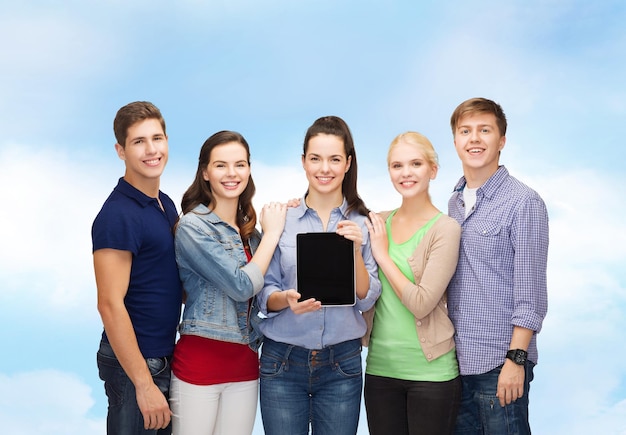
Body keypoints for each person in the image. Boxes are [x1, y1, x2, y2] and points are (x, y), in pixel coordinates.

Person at [256, 116, 382, 435]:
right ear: (303, 162)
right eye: (315, 159)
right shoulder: (282, 219)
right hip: (281, 362)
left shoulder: (363, 223)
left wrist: (354, 250)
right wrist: (285, 300)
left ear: (348, 163)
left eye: (334, 159)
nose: (324, 168)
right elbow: (263, 292)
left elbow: (367, 299)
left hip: (342, 364)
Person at [168, 131, 287, 434]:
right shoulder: (193, 226)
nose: (232, 173)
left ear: (249, 169)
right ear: (205, 172)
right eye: (221, 165)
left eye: (240, 164)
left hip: (245, 366)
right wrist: (273, 233)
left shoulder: (251, 234)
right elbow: (241, 286)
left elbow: (264, 294)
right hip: (199, 366)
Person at [446, 97, 549, 434]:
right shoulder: (454, 202)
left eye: (484, 130)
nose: (474, 139)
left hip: (499, 363)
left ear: (501, 140)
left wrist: (515, 360)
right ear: (456, 140)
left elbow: (530, 291)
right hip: (457, 364)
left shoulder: (524, 202)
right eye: (466, 131)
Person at [362, 131, 462, 435]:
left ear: (432, 170)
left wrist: (382, 254)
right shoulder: (377, 222)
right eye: (397, 165)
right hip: (380, 371)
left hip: (431, 376)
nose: (406, 173)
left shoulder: (445, 229)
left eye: (415, 163)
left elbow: (422, 303)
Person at [92, 101, 183, 434]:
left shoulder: (165, 203)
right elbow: (109, 304)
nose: (151, 149)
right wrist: (144, 384)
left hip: (162, 357)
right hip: (135, 367)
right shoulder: (118, 215)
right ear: (121, 150)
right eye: (138, 142)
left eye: (157, 138)